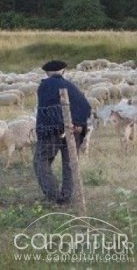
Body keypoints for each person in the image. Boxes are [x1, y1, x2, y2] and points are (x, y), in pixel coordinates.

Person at [33, 60, 91, 205]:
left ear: (46, 73)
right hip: (73, 130)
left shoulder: (44, 86)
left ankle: (53, 194)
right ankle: (65, 196)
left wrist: (59, 123)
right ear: (63, 71)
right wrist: (78, 124)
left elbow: (46, 109)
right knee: (70, 162)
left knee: (41, 160)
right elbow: (85, 105)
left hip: (51, 130)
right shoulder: (70, 86)